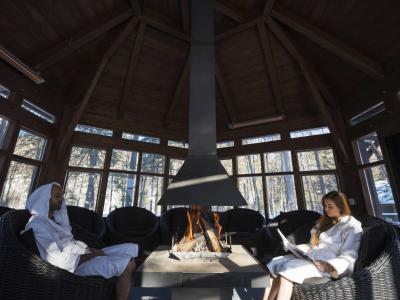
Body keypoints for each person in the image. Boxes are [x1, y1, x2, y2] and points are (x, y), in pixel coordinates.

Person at [21, 182, 138, 300]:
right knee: (129, 263)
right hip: (75, 267)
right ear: (44, 199)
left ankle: (120, 283)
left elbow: (69, 242)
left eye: (61, 196)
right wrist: (93, 255)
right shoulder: (37, 225)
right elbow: (60, 262)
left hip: (83, 254)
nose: (61, 199)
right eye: (57, 196)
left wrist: (91, 251)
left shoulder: (54, 220)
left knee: (131, 248)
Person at [263, 191, 363, 300]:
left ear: (341, 206)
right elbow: (313, 245)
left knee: (286, 271)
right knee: (275, 262)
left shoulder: (352, 226)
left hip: (328, 265)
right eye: (325, 206)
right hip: (313, 257)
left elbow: (350, 255)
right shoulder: (326, 222)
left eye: (330, 206)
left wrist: (330, 265)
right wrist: (297, 249)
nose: (326, 209)